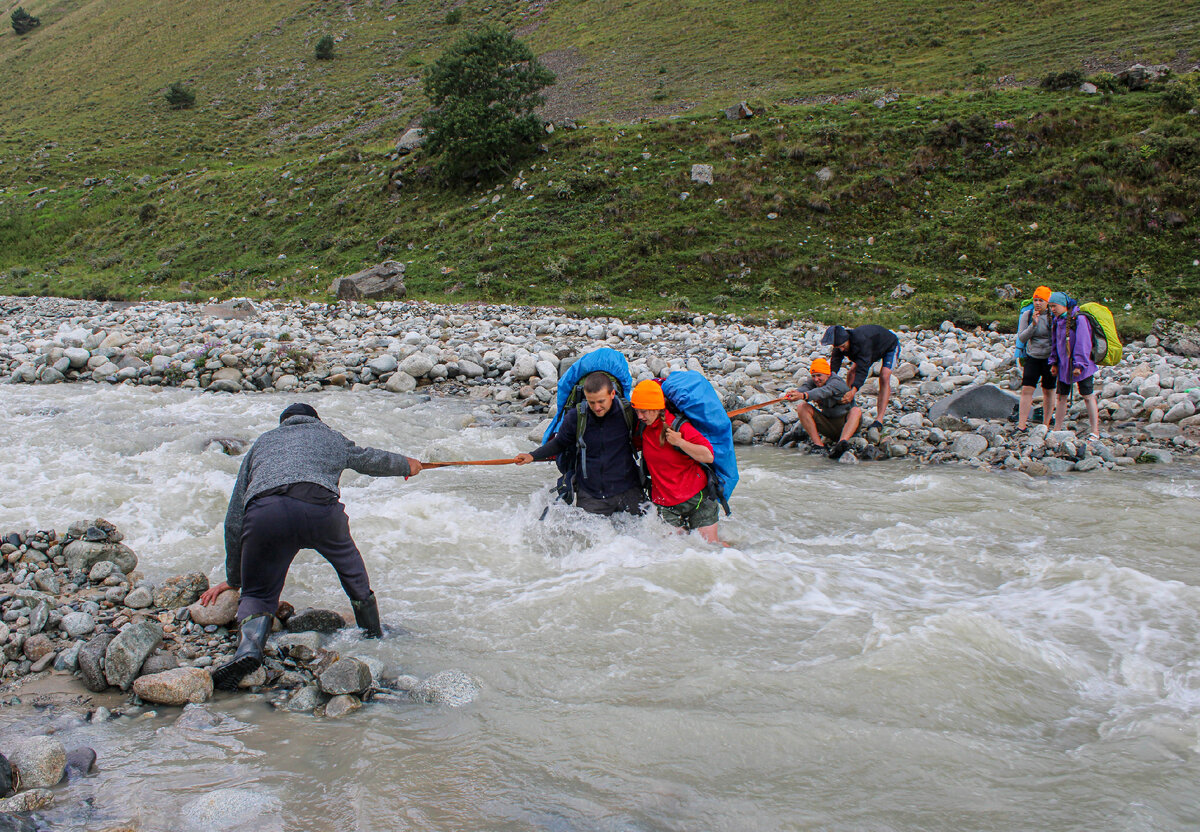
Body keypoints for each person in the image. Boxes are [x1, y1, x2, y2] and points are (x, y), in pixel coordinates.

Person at [201, 403, 422, 691]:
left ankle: (248, 651)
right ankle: (372, 634)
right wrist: (407, 464)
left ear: (284, 423)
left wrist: (234, 580)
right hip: (320, 512)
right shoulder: (330, 436)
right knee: (352, 572)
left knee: (258, 592)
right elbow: (368, 459)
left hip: (266, 514)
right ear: (315, 420)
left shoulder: (263, 442)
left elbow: (234, 519)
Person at [515, 371, 644, 515]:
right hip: (592, 494)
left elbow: (650, 437)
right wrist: (533, 456)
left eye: (601, 401)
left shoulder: (628, 413)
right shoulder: (577, 417)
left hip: (629, 490)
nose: (596, 407)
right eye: (592, 402)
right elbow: (560, 443)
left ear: (612, 394)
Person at [629, 380, 723, 544]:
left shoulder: (679, 426)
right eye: (637, 411)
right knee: (674, 554)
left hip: (697, 499)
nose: (639, 416)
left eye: (643, 411)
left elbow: (708, 456)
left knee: (711, 548)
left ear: (657, 408)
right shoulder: (642, 427)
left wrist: (681, 443)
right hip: (665, 505)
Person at [822, 323, 900, 430]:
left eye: (843, 347)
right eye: (838, 348)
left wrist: (854, 390)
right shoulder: (839, 344)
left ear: (848, 340)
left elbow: (863, 370)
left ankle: (879, 420)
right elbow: (834, 365)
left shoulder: (862, 342)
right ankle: (847, 406)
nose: (841, 350)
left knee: (884, 375)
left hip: (889, 345)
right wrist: (828, 382)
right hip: (872, 348)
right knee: (851, 373)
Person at [784, 358, 863, 459]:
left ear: (827, 374)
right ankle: (819, 445)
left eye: (819, 375)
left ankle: (842, 443)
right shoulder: (814, 382)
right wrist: (795, 393)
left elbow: (823, 391)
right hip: (829, 425)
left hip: (847, 425)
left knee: (856, 411)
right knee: (802, 407)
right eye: (813, 376)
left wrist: (803, 396)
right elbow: (805, 387)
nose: (816, 379)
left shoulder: (837, 383)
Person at [1047, 292, 1101, 440]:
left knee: (1088, 396)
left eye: (1054, 306)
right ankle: (1057, 429)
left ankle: (1095, 431)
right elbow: (1055, 344)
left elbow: (1083, 343)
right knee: (1061, 396)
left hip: (1082, 366)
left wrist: (1079, 364)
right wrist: (1054, 362)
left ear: (1064, 305)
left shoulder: (1080, 319)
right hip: (1064, 366)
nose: (1052, 309)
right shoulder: (1058, 321)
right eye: (1050, 306)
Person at [1015, 285, 1057, 431]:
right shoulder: (1027, 314)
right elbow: (1022, 337)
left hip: (1049, 357)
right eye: (1035, 300)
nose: (1038, 303)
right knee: (1027, 388)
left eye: (1041, 300)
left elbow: (1057, 338)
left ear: (1048, 302)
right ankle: (1021, 424)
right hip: (1032, 356)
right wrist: (1033, 325)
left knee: (1049, 389)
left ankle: (1045, 423)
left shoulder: (1054, 316)